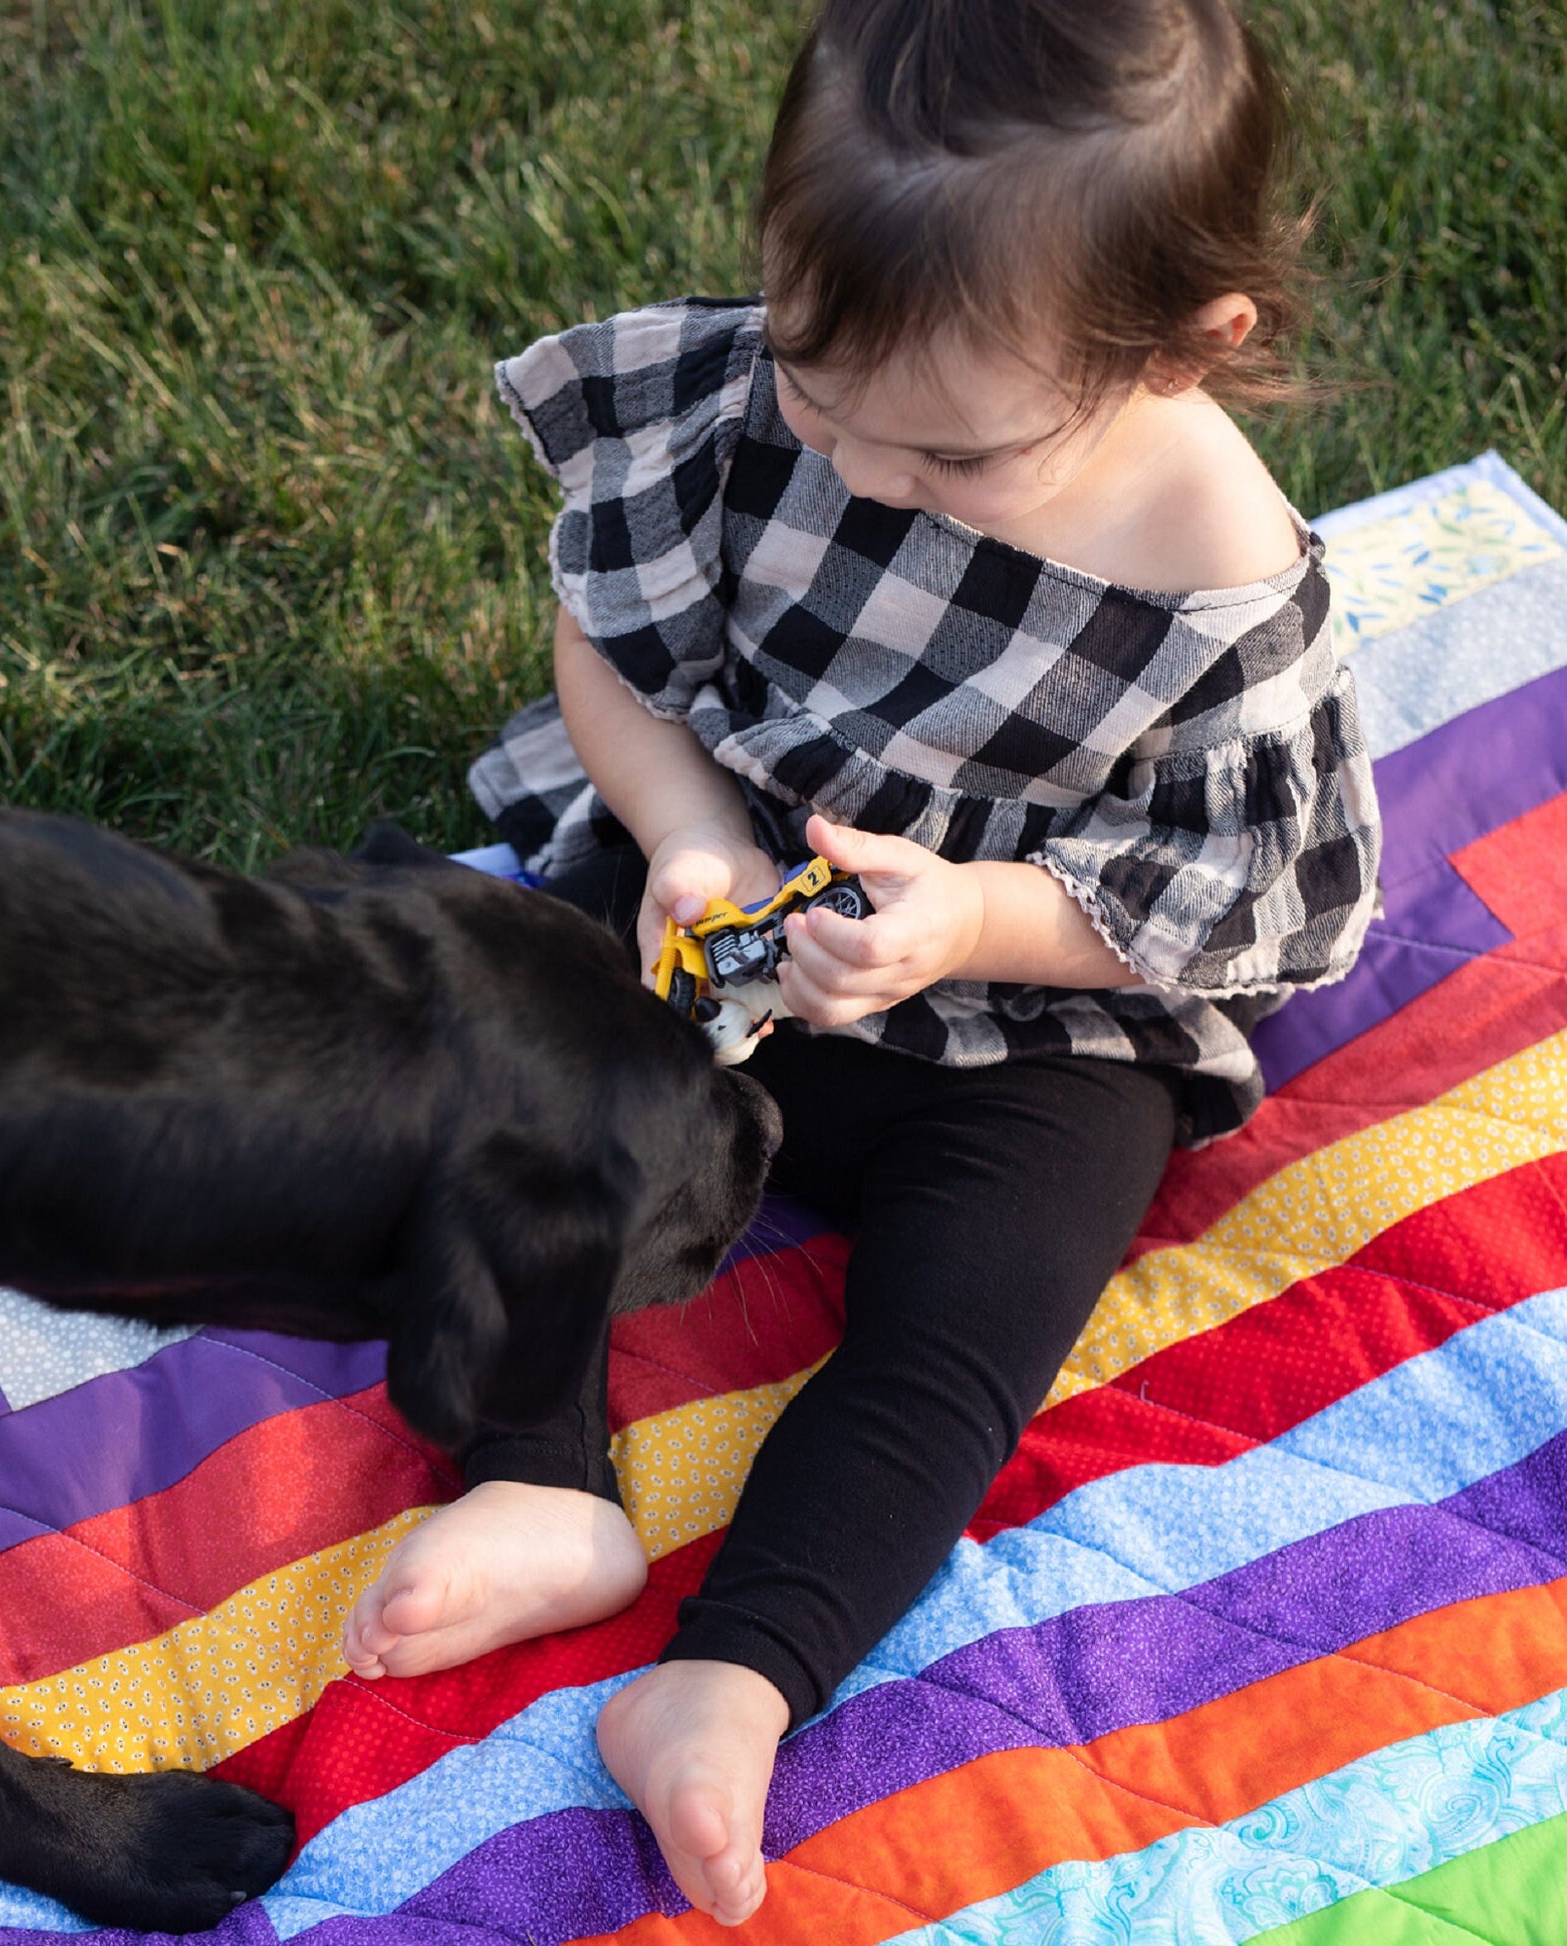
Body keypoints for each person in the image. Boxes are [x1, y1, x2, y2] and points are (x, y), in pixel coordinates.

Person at [343, 0, 1382, 1924]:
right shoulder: (782, 399)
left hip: (1025, 1022)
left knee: (970, 1320)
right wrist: (681, 834)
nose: (866, 470)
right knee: (501, 1065)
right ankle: (534, 1469)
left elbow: (1260, 902)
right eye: (825, 405)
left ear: (1181, 348)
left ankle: (733, 1677)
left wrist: (975, 921)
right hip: (718, 891)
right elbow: (614, 652)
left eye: (949, 453)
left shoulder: (1221, 582)